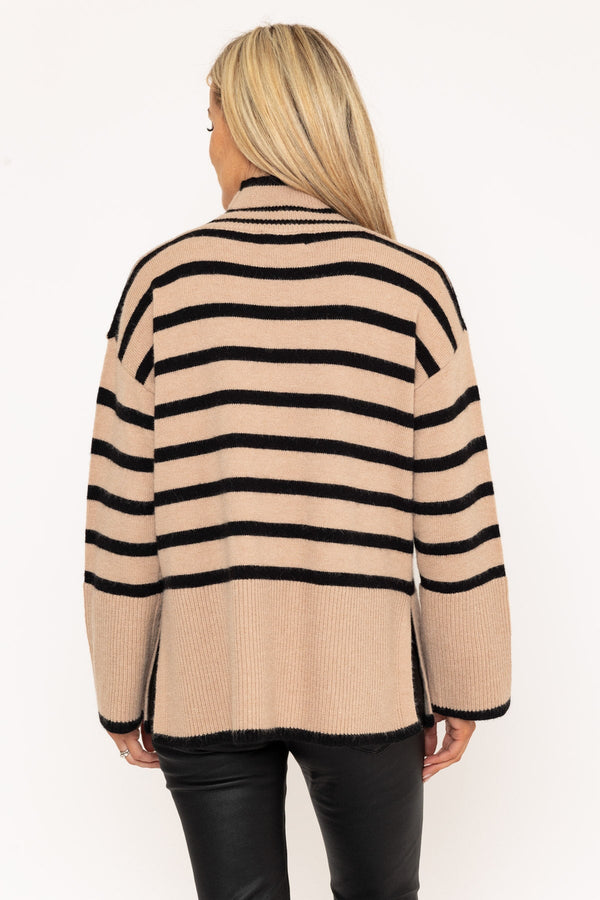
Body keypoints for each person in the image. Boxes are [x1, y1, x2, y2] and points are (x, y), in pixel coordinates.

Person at [83, 22, 512, 900]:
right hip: (367, 685)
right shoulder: (409, 290)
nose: (209, 146)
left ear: (252, 123)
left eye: (211, 122)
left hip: (208, 681)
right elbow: (456, 512)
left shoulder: (164, 288)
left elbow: (122, 516)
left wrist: (121, 690)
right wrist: (468, 682)